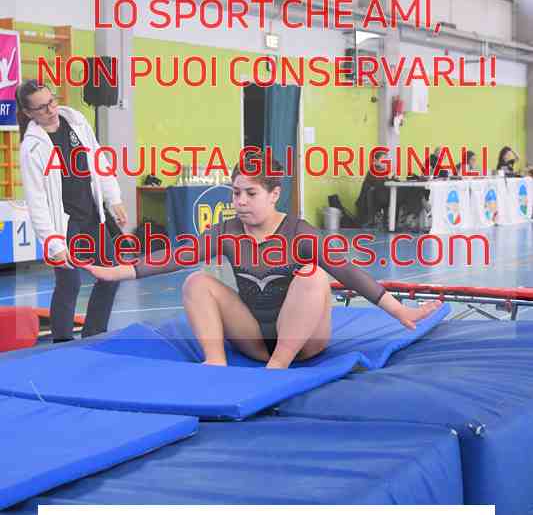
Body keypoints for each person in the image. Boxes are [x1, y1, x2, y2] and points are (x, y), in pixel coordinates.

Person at [87, 153, 442, 369]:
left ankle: (279, 365)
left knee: (314, 276)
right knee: (196, 282)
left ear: (274, 195)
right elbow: (178, 256)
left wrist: (400, 311)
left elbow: (349, 272)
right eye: (235, 193)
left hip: (305, 343)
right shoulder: (227, 232)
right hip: (254, 339)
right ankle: (215, 359)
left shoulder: (298, 232)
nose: (240, 201)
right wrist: (120, 272)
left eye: (250, 193)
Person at [16, 80, 127, 342]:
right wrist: (53, 243)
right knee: (69, 283)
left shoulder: (75, 121)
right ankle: (62, 343)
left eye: (51, 101)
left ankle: (94, 334)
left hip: (92, 215)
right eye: (42, 108)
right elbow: (36, 201)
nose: (51, 109)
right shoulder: (32, 148)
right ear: (29, 113)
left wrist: (113, 197)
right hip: (63, 225)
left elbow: (98, 160)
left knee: (111, 275)